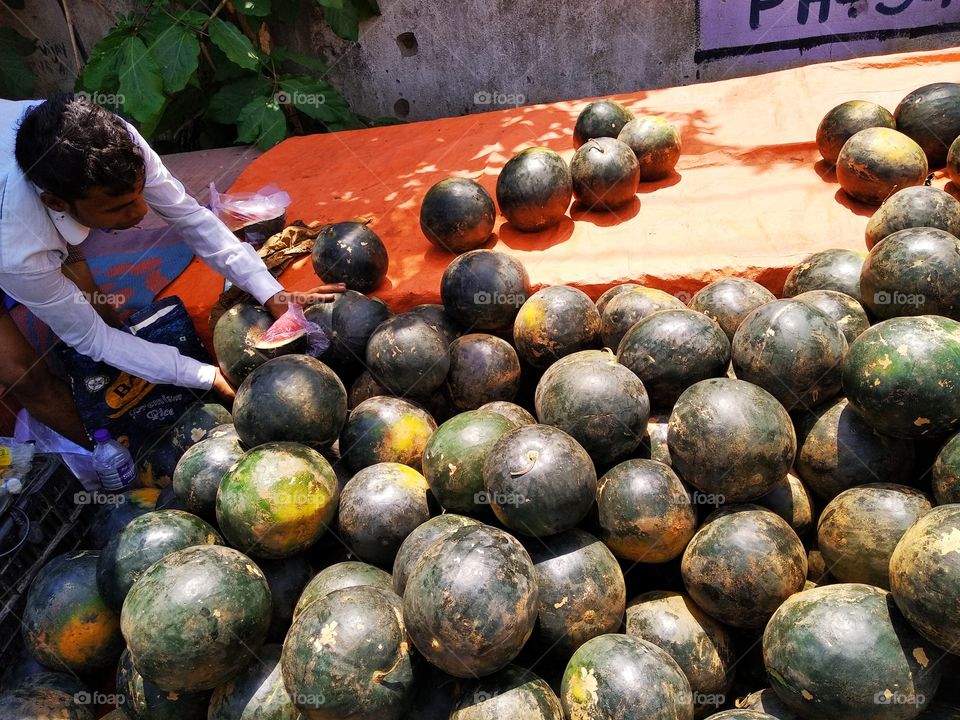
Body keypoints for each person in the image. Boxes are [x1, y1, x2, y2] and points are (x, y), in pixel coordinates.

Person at [0, 94, 343, 448]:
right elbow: (91, 339)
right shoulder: (17, 246)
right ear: (55, 203)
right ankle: (112, 461)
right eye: (119, 207)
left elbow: (190, 217)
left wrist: (270, 290)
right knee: (21, 372)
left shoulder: (114, 143)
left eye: (138, 193)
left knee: (102, 311)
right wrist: (202, 375)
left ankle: (125, 401)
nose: (141, 212)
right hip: (8, 233)